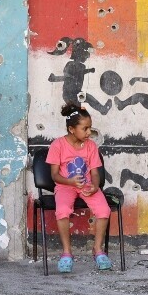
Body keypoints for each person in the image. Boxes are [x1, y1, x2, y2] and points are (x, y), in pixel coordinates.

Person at [46, 102, 112, 272]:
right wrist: (70, 182)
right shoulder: (57, 145)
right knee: (62, 211)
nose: (89, 132)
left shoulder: (91, 146)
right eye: (85, 129)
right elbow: (54, 176)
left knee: (104, 210)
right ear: (71, 129)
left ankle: (98, 250)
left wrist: (95, 186)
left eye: (90, 128)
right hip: (65, 186)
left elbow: (96, 173)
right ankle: (67, 253)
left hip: (87, 186)